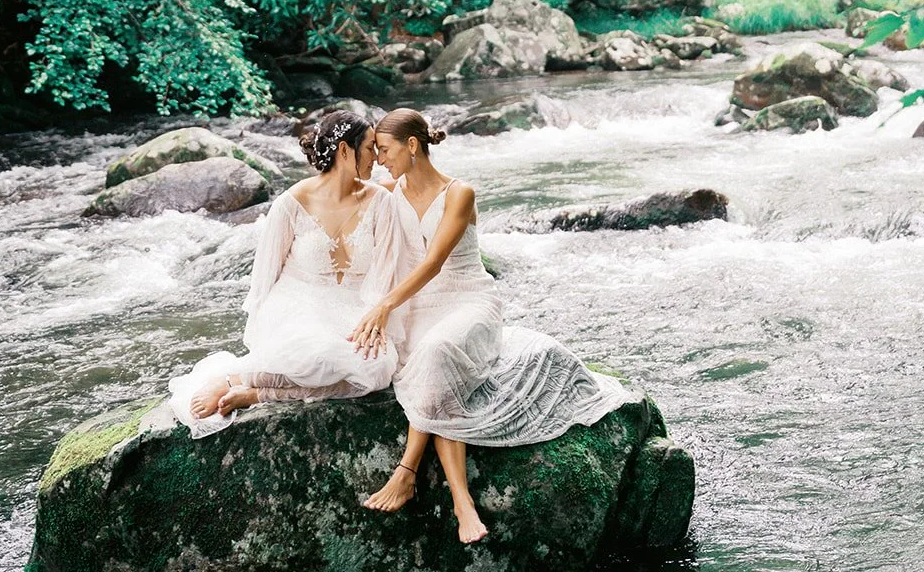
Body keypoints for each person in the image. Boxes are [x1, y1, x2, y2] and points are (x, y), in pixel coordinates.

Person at [351, 107, 629, 544]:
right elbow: (346, 201)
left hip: (468, 300)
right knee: (432, 365)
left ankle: (410, 474)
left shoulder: (459, 193)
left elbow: (434, 262)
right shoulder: (389, 189)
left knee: (438, 352)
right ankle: (461, 500)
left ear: (411, 145)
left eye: (384, 150)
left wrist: (385, 305)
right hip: (420, 306)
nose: (380, 159)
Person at [169, 110, 406, 434]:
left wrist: (377, 317)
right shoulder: (291, 202)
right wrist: (267, 329)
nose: (376, 160)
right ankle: (230, 377)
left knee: (377, 369)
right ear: (344, 151)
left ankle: (257, 393)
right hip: (299, 302)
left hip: (357, 307)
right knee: (317, 357)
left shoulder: (381, 201)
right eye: (369, 149)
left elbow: (387, 269)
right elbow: (265, 275)